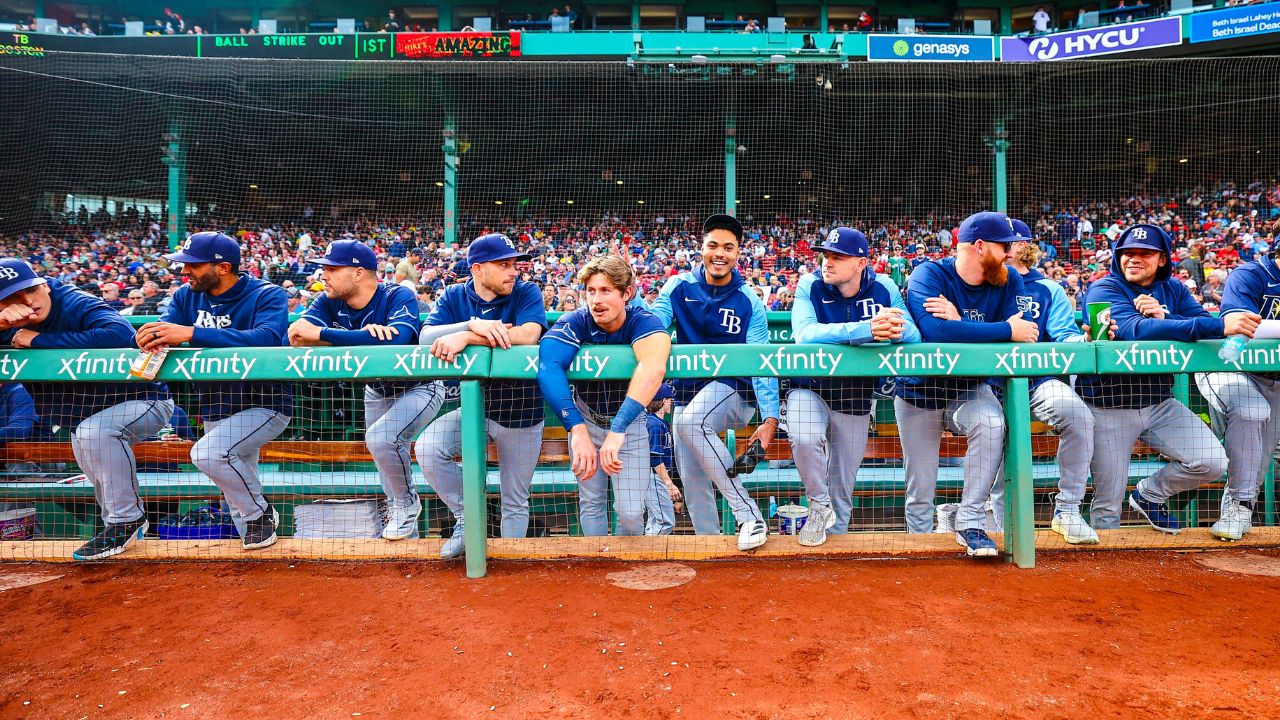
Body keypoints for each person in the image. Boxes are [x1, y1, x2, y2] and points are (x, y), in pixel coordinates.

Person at [0, 258, 174, 560]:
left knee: (95, 433)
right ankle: (118, 533)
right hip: (82, 418)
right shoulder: (7, 320)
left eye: (29, 289)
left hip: (144, 401)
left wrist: (37, 340)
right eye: (12, 298)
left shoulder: (75, 301)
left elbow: (120, 334)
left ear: (43, 284)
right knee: (88, 444)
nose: (26, 301)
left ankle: (125, 522)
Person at [1078, 224, 1238, 533]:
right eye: (1127, 253)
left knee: (1212, 461)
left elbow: (1204, 323)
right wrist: (1167, 323)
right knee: (1108, 501)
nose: (1134, 259)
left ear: (1162, 259)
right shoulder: (1104, 288)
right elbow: (1131, 330)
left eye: (1145, 253)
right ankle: (1102, 574)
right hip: (1107, 404)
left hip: (1159, 402)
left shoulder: (1174, 290)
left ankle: (1150, 494)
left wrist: (1166, 317)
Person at [139, 232, 291, 551]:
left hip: (264, 404)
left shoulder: (267, 294)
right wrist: (153, 336)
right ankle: (261, 558)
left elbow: (266, 338)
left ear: (222, 268)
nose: (184, 272)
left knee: (207, 454)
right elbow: (163, 332)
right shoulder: (185, 297)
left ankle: (262, 515)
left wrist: (192, 333)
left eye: (193, 265)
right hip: (214, 404)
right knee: (234, 495)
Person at [897, 211, 1038, 557]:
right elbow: (935, 333)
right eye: (1002, 246)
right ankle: (919, 551)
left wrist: (961, 324)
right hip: (919, 390)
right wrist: (1003, 331)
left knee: (992, 423)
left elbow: (1028, 332)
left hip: (970, 387)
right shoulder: (929, 273)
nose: (1009, 254)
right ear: (978, 246)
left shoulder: (1009, 280)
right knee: (921, 487)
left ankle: (971, 521)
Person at [289, 240, 444, 541]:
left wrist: (323, 335)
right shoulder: (329, 300)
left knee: (381, 438)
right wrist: (360, 337)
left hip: (419, 387)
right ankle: (402, 526)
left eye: (332, 269)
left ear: (359, 273)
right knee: (383, 455)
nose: (324, 276)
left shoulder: (397, 293)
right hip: (375, 390)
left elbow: (397, 341)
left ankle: (407, 503)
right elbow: (296, 335)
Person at [958, 219, 1099, 544]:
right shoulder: (981, 283)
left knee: (1078, 416)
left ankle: (1068, 511)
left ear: (1024, 247)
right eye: (1002, 243)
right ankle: (997, 530)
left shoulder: (1047, 288)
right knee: (995, 437)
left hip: (1036, 380)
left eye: (1013, 242)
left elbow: (1065, 336)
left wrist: (1085, 343)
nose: (1007, 249)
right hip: (986, 382)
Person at [650, 214, 778, 551]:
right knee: (691, 478)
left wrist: (770, 419)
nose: (719, 253)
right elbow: (654, 326)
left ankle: (749, 515)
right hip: (688, 394)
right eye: (713, 245)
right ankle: (710, 547)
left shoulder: (749, 300)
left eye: (728, 247)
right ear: (701, 249)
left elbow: (762, 363)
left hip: (736, 392)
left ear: (738, 254)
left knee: (692, 422)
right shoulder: (677, 286)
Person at [416, 233, 547, 558]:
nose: (513, 270)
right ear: (477, 268)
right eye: (503, 264)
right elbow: (425, 337)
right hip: (476, 409)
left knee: (515, 498)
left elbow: (529, 334)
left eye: (514, 264)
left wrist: (472, 338)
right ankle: (468, 516)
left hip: (523, 413)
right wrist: (470, 327)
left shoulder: (526, 291)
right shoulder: (454, 297)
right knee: (428, 447)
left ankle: (510, 565)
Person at [788, 227, 919, 546]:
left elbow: (914, 335)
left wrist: (895, 331)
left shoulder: (885, 286)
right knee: (805, 436)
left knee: (843, 487)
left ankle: (835, 561)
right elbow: (803, 334)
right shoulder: (811, 284)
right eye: (826, 255)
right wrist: (865, 329)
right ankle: (818, 505)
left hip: (856, 395)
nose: (827, 262)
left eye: (838, 257)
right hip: (810, 387)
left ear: (861, 263)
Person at [538, 255, 672, 537]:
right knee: (591, 502)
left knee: (631, 511)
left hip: (631, 425)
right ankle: (597, 569)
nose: (596, 299)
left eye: (606, 290)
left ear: (627, 293)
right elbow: (548, 366)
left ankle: (626, 566)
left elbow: (653, 368)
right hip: (586, 419)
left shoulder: (643, 320)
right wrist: (576, 429)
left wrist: (619, 428)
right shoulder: (577, 319)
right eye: (591, 291)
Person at [1192, 243, 1280, 541]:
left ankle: (1242, 507)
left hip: (1274, 379)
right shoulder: (1251, 275)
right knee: (1251, 411)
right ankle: (1236, 508)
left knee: (1262, 457)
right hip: (1229, 368)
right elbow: (1241, 324)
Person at [644, 383, 681, 535]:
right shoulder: (653, 424)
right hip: (654, 477)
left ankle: (646, 556)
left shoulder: (660, 423)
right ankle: (649, 556)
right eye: (669, 399)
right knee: (665, 522)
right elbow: (655, 458)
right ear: (663, 400)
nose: (671, 402)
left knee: (655, 520)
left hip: (657, 477)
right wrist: (669, 484)